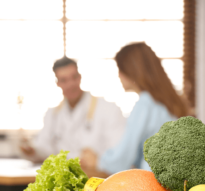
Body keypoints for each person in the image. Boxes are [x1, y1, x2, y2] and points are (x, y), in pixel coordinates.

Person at [80, 42, 188, 175]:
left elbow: (123, 157)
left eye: (120, 69)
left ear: (131, 70)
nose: (118, 75)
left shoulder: (145, 104)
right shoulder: (167, 102)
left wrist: (98, 161)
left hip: (151, 185)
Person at [20, 57, 126, 172]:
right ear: (58, 83)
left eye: (74, 77)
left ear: (80, 77)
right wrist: (32, 151)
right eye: (64, 80)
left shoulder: (108, 109)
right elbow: (45, 148)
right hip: (65, 177)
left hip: (98, 177)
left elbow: (119, 153)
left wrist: (97, 160)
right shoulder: (53, 114)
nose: (70, 84)